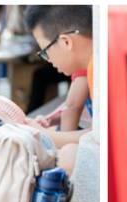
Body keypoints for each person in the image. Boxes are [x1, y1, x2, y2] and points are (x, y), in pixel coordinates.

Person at [23, 6, 93, 150]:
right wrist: (52, 119)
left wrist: (40, 135)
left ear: (66, 42)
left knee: (68, 156)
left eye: (45, 50)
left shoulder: (99, 70)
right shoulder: (93, 65)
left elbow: (99, 137)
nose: (47, 60)